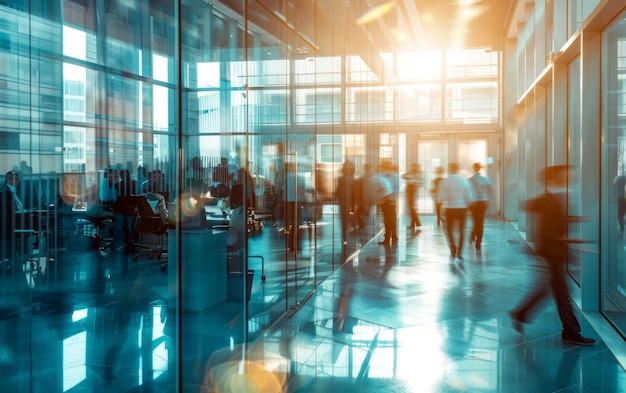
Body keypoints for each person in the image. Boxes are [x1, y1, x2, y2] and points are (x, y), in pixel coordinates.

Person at [509, 165, 596, 346]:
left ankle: (521, 313)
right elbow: (548, 230)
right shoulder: (550, 199)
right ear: (553, 178)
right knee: (561, 292)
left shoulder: (555, 197)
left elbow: (557, 219)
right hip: (551, 252)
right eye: (564, 176)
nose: (568, 178)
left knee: (552, 290)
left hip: (553, 251)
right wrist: (572, 240)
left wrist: (577, 219)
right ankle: (570, 331)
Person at [437, 162, 473, 260]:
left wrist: (440, 212)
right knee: (462, 230)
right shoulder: (464, 181)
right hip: (462, 208)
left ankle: (452, 247)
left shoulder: (445, 181)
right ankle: (460, 251)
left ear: (449, 169)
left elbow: (439, 198)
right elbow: (469, 197)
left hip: (450, 208)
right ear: (457, 169)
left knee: (449, 230)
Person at [370, 165, 397, 246]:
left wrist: (380, 201)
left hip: (388, 203)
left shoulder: (379, 178)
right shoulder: (384, 178)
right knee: (390, 221)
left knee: (388, 221)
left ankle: (389, 238)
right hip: (390, 202)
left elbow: (387, 192)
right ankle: (392, 238)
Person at [468, 162, 493, 249]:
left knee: (475, 220)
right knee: (480, 222)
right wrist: (489, 199)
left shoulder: (470, 180)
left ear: (473, 168)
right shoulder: (486, 179)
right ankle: (478, 241)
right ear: (480, 168)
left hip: (473, 203)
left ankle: (472, 234)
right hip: (483, 202)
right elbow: (490, 190)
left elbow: (467, 192)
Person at [1, 171, 23, 263]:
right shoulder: (5, 192)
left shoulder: (13, 191)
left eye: (18, 179)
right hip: (8, 225)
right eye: (16, 179)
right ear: (9, 180)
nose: (18, 181)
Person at [335, 161, 355, 245]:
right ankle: (346, 234)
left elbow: (338, 190)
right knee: (346, 219)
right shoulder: (351, 179)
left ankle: (345, 235)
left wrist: (337, 197)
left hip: (344, 202)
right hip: (348, 202)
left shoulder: (341, 179)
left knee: (344, 219)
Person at [402, 163, 423, 229]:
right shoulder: (411, 173)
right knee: (412, 207)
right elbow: (403, 176)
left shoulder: (418, 174)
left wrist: (412, 179)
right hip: (410, 191)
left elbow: (420, 182)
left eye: (413, 166)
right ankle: (413, 223)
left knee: (412, 207)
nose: (412, 168)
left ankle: (418, 222)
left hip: (413, 191)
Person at [613, 174, 626, 238]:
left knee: (620, 216)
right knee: (620, 216)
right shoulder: (618, 179)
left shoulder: (617, 179)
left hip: (620, 199)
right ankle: (621, 230)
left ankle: (621, 230)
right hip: (620, 199)